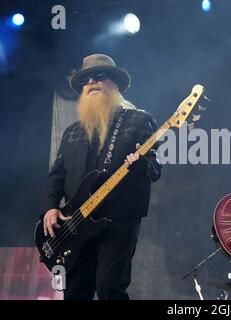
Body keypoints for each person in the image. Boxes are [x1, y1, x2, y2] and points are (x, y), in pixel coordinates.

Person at [41, 54, 161, 299]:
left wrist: (138, 166)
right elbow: (57, 176)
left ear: (115, 84)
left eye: (99, 76)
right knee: (75, 291)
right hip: (76, 224)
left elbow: (154, 169)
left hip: (117, 221)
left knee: (109, 288)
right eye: (85, 80)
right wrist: (51, 208)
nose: (91, 82)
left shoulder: (138, 120)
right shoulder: (72, 132)